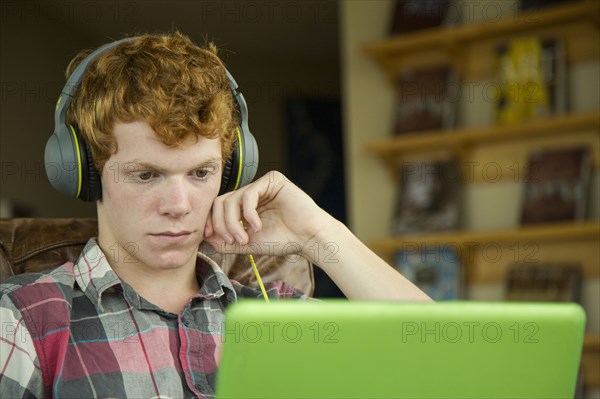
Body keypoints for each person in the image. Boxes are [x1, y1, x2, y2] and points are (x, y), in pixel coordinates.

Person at [0, 31, 431, 399]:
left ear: (231, 170)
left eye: (201, 172)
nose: (179, 204)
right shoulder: (22, 321)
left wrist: (316, 232)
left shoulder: (274, 312)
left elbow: (438, 360)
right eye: (146, 174)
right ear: (85, 173)